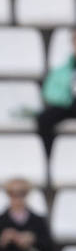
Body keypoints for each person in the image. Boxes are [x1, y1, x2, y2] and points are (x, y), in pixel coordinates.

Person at [37, 29, 76, 159]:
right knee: (44, 118)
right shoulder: (64, 69)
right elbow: (50, 94)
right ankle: (49, 157)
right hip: (69, 104)